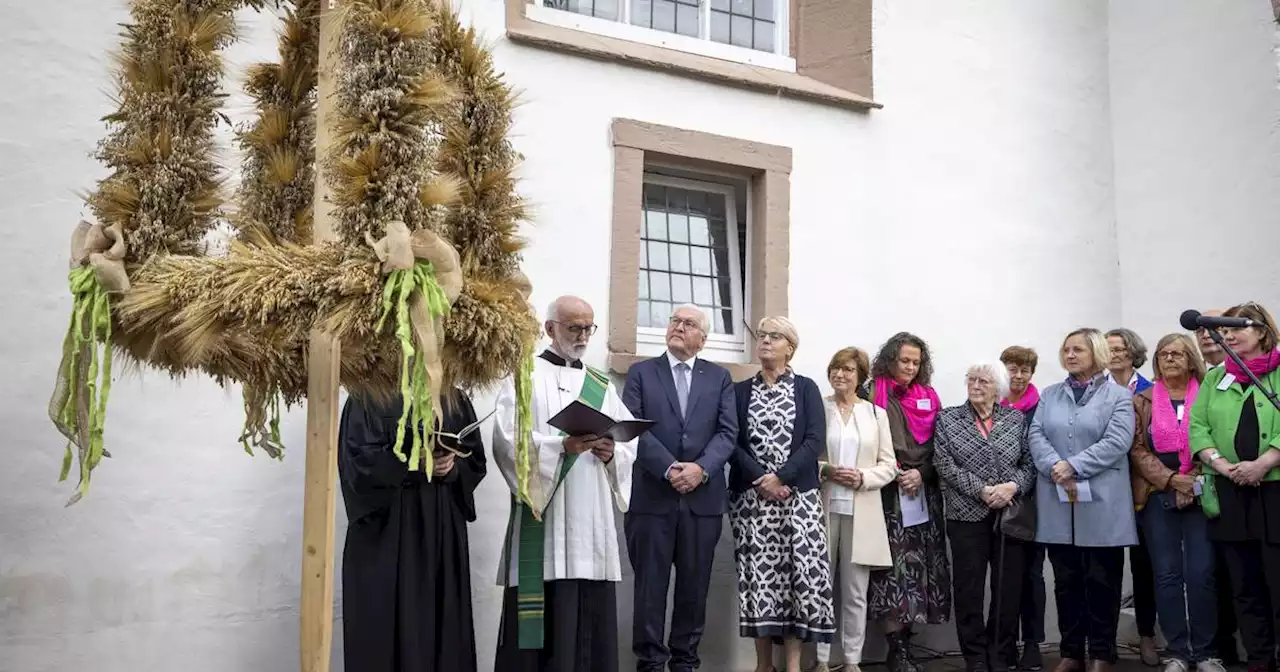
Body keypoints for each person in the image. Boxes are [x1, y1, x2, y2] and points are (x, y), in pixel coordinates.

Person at [492, 295, 638, 672]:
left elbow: (628, 443)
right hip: (546, 520)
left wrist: (611, 453)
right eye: (574, 327)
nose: (583, 335)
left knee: (589, 618)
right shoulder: (523, 376)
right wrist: (561, 446)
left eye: (589, 327)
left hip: (590, 516)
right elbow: (507, 441)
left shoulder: (600, 384)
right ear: (550, 328)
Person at [623, 303, 738, 672]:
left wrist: (701, 469)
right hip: (652, 498)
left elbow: (727, 433)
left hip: (701, 502)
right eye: (674, 320)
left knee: (694, 587)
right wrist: (670, 467)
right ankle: (651, 663)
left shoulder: (719, 378)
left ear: (702, 339)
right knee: (650, 588)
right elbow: (631, 426)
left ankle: (685, 662)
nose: (678, 327)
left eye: (688, 324)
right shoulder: (641, 373)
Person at [338, 389, 487, 672]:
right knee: (384, 633)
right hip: (387, 534)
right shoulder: (367, 395)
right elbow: (356, 465)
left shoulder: (451, 397)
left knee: (442, 628)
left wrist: (452, 468)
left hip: (440, 530)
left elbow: (475, 459)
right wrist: (408, 461)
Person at [729, 317, 833, 672]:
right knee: (760, 582)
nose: (766, 342)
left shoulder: (806, 388)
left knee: (797, 582)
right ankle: (763, 665)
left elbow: (814, 440)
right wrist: (762, 479)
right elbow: (732, 442)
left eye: (775, 337)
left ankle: (791, 665)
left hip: (798, 501)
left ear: (790, 347)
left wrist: (782, 476)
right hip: (753, 504)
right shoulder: (740, 391)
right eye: (762, 336)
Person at [1030, 327, 1137, 672]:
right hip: (1058, 503)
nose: (1070, 355)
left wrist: (1072, 465)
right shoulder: (1049, 394)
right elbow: (1037, 435)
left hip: (1104, 505)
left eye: (1078, 349)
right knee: (1066, 582)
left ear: (1097, 353)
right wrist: (1054, 466)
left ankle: (1102, 654)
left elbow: (1117, 442)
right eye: (1066, 350)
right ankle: (1071, 652)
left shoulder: (1118, 396)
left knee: (1102, 582)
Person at [1190, 302, 1280, 672]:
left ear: (1261, 331)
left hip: (1274, 490)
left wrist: (1264, 462)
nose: (1226, 336)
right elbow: (1197, 426)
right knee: (1243, 583)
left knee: (1277, 579)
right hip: (1230, 490)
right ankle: (1259, 659)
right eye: (1222, 330)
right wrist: (1221, 464)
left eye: (1236, 328)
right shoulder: (1215, 378)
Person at [1129, 334, 1224, 672]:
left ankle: (1207, 652)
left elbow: (1216, 435)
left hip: (1202, 492)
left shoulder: (1209, 391)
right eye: (1164, 354)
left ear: (1191, 358)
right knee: (1167, 575)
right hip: (1157, 496)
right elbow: (1138, 449)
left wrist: (1193, 477)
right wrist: (1171, 480)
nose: (1170, 359)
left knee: (1201, 574)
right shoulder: (1142, 399)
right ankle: (1178, 652)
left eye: (1178, 354)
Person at [934, 362, 1036, 672]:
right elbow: (944, 464)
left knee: (1007, 589)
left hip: (1009, 515)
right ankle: (975, 656)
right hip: (966, 516)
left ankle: (1001, 654)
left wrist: (1012, 486)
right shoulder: (948, 418)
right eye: (972, 379)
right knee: (969, 589)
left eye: (984, 381)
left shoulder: (1016, 419)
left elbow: (1030, 464)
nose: (976, 385)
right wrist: (982, 490)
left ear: (998, 388)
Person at [866, 332, 952, 672]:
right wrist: (896, 470)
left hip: (923, 494)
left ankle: (909, 640)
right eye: (904, 361)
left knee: (920, 570)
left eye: (916, 362)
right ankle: (895, 648)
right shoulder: (872, 393)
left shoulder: (929, 396)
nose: (911, 368)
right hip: (886, 495)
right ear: (889, 360)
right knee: (891, 571)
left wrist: (923, 472)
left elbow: (942, 445)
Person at [815, 347, 898, 672]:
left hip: (862, 511)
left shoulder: (876, 414)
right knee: (820, 587)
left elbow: (889, 465)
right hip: (822, 508)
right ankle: (821, 661)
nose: (840, 375)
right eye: (836, 368)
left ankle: (852, 661)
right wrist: (826, 470)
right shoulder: (818, 408)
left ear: (860, 375)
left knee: (855, 592)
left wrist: (863, 477)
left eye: (848, 369)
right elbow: (807, 454)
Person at [1104, 327, 1158, 665]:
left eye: (1121, 348)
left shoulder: (1153, 391)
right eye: (1108, 348)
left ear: (1133, 352)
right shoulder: (1095, 392)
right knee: (1106, 567)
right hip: (1106, 491)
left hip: (1143, 491)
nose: (1114, 354)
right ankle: (1103, 640)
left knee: (1145, 567)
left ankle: (1146, 635)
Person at [1193, 309, 1242, 665]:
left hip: (1254, 481)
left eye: (1218, 329)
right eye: (1202, 331)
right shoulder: (1203, 379)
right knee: (1217, 573)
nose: (1208, 335)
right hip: (1210, 487)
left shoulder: (1256, 377)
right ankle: (1223, 648)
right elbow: (1197, 428)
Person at [1000, 345, 1046, 671]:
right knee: (1004, 576)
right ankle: (1005, 643)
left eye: (1023, 370)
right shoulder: (990, 404)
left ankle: (1032, 643)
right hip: (996, 500)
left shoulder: (1040, 408)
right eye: (1011, 369)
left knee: (1032, 575)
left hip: (1032, 501)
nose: (1017, 376)